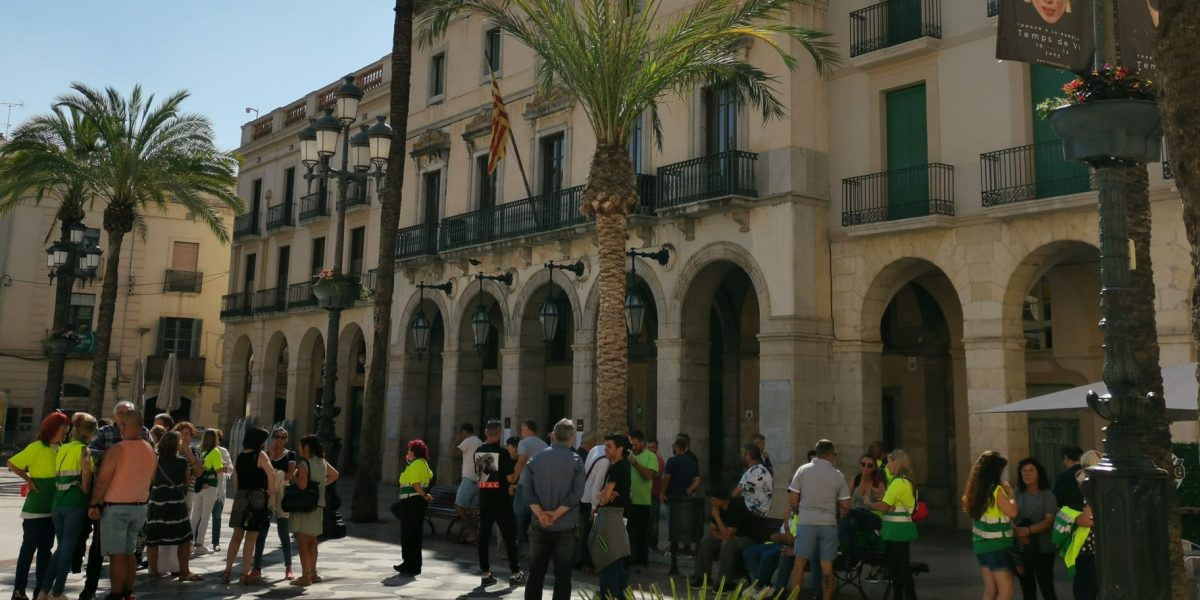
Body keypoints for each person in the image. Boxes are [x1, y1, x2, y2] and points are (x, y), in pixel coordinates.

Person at [80, 401, 152, 600]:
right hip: (139, 507)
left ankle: (116, 593)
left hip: (116, 507)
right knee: (130, 552)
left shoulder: (118, 449)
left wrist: (94, 503)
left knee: (117, 554)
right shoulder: (149, 448)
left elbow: (102, 480)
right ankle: (129, 591)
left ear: (124, 426)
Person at [8, 411, 69, 600]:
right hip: (35, 510)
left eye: (67, 427)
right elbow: (12, 463)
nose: (66, 431)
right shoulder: (36, 447)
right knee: (28, 549)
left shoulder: (62, 448)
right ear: (53, 429)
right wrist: (28, 480)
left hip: (53, 509)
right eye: (63, 427)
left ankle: (40, 591)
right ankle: (19, 590)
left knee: (45, 551)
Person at [522, 419, 585, 600]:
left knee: (535, 574)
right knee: (563, 576)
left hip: (539, 525)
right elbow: (576, 494)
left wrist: (541, 514)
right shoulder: (576, 460)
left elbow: (527, 493)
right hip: (565, 526)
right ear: (572, 438)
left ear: (554, 436)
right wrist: (555, 514)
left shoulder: (535, 459)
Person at [42, 412, 96, 600]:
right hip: (75, 503)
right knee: (68, 547)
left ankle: (44, 591)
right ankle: (57, 592)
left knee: (61, 547)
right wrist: (86, 490)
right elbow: (87, 479)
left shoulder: (62, 448)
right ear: (89, 433)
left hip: (58, 502)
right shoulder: (84, 450)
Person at [788, 439, 850, 600]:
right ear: (831, 454)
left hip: (806, 522)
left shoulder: (802, 470)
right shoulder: (837, 475)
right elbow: (845, 504)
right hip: (828, 524)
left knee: (799, 564)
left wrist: (798, 511)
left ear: (817, 453)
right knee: (827, 568)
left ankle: (794, 598)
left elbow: (793, 498)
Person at [474, 420, 527, 587]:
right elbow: (511, 478)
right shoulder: (502, 453)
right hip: (501, 501)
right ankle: (515, 573)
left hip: (485, 499)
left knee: (484, 536)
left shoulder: (479, 451)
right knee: (509, 537)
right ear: (499, 434)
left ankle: (485, 573)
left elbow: (480, 479)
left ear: (485, 432)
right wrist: (518, 464)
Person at [221, 427, 276, 586]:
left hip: (241, 497)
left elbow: (236, 480)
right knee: (251, 538)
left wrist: (240, 495)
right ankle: (244, 574)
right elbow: (271, 473)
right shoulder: (260, 455)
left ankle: (227, 571)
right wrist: (271, 493)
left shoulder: (240, 456)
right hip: (257, 496)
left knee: (236, 536)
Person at [145, 431, 202, 581]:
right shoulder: (181, 462)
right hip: (176, 501)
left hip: (157, 501)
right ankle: (184, 571)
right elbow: (188, 481)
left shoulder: (154, 460)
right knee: (183, 538)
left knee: (153, 539)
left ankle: (154, 572)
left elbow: (149, 480)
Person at [962, 450, 1018, 600]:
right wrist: (1011, 495)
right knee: (1007, 588)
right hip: (997, 546)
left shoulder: (975, 490)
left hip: (981, 546)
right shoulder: (996, 490)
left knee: (990, 590)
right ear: (996, 471)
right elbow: (1012, 512)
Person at [865, 449, 919, 600]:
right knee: (900, 568)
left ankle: (907, 596)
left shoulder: (898, 482)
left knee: (899, 569)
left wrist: (870, 504)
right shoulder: (908, 481)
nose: (887, 466)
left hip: (896, 531)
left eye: (889, 462)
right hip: (900, 529)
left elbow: (884, 506)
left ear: (897, 462)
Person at [289, 434, 339, 587]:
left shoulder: (304, 465)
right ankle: (313, 573)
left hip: (305, 506)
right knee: (313, 541)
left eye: (300, 446)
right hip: (318, 505)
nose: (298, 449)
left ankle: (305, 576)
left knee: (303, 542)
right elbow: (335, 474)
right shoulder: (322, 462)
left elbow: (302, 486)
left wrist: (293, 476)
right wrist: (321, 485)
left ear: (307, 448)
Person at [252, 427, 296, 579]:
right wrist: (270, 459)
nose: (279, 439)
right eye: (276, 436)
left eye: (282, 437)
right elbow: (261, 473)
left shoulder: (290, 454)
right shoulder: (265, 455)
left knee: (283, 533)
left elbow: (290, 476)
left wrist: (276, 474)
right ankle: (257, 567)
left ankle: (289, 567)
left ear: (286, 439)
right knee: (261, 533)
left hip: (283, 498)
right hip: (267, 496)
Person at [691, 486, 757, 588]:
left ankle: (726, 583)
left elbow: (728, 535)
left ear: (720, 500)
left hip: (747, 539)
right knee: (706, 540)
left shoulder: (736, 507)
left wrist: (717, 517)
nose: (711, 502)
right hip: (730, 538)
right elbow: (713, 531)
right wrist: (724, 537)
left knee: (728, 544)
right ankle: (703, 578)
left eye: (713, 500)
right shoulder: (717, 508)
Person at [1013, 457, 1058, 600]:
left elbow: (1049, 521)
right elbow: (1010, 516)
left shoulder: (1047, 495)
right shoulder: (1017, 493)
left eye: (1031, 470)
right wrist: (1018, 532)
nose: (1027, 473)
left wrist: (1029, 530)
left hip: (1043, 549)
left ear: (1039, 473)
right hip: (1023, 549)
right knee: (1027, 588)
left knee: (1047, 587)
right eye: (1024, 471)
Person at [593, 433, 632, 599]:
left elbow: (603, 499)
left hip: (610, 518)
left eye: (609, 446)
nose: (605, 449)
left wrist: (604, 495)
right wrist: (606, 495)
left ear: (620, 449)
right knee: (615, 560)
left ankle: (610, 595)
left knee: (608, 559)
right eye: (605, 445)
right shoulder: (622, 466)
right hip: (616, 517)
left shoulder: (617, 467)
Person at [394, 439, 434, 576]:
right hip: (412, 503)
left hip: (413, 502)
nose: (407, 453)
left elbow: (416, 484)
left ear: (415, 452)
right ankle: (408, 563)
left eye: (409, 450)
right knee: (411, 534)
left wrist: (424, 495)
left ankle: (411, 565)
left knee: (410, 534)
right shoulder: (418, 464)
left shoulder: (417, 464)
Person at [839, 453, 887, 563]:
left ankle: (838, 543)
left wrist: (877, 496)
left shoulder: (878, 483)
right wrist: (842, 510)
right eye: (863, 464)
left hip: (874, 517)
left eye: (870, 466)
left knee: (851, 514)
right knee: (849, 518)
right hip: (856, 515)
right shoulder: (856, 479)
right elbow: (846, 499)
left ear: (874, 468)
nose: (865, 468)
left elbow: (884, 504)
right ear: (860, 465)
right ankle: (851, 555)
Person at [743, 509, 798, 597]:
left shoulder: (804, 516)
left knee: (767, 556)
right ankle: (765, 585)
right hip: (777, 543)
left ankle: (760, 585)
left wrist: (783, 534)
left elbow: (793, 541)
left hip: (789, 546)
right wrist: (777, 536)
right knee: (749, 552)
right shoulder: (790, 512)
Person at [576, 431, 608, 571]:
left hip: (583, 496)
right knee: (590, 534)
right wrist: (594, 507)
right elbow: (597, 484)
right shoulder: (605, 460)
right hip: (590, 500)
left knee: (584, 532)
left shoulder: (595, 450)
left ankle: (579, 560)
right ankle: (588, 563)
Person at [627, 430, 659, 568]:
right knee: (628, 532)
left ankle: (641, 561)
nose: (633, 447)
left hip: (643, 502)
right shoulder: (628, 455)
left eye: (636, 444)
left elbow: (648, 475)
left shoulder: (650, 457)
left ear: (642, 442)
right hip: (629, 501)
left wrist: (635, 463)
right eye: (632, 444)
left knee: (641, 533)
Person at [191, 429, 224, 557]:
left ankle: (188, 543)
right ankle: (199, 544)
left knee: (195, 516)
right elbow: (219, 469)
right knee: (205, 516)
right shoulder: (216, 451)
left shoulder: (199, 450)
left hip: (198, 486)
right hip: (210, 486)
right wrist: (224, 466)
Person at [513, 420, 548, 545]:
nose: (521, 432)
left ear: (527, 429)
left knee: (520, 513)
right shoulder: (544, 444)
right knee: (535, 513)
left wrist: (514, 478)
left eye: (522, 429)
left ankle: (521, 541)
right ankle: (535, 540)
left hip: (524, 483)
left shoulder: (523, 443)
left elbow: (521, 458)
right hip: (539, 484)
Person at [450, 422, 483, 544]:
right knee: (473, 509)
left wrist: (457, 439)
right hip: (477, 480)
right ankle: (474, 534)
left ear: (464, 432)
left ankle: (471, 531)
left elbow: (452, 453)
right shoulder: (479, 441)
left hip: (468, 479)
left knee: (459, 506)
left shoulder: (468, 440)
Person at [734, 443, 773, 517]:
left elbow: (735, 494)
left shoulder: (752, 472)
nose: (741, 457)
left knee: (729, 505)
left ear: (748, 456)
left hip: (754, 512)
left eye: (743, 455)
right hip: (764, 512)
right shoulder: (764, 470)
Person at [210, 429, 233, 553]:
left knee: (217, 517)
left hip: (219, 490)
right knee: (199, 517)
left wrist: (221, 467)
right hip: (205, 488)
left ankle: (215, 542)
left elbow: (230, 468)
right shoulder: (203, 450)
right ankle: (197, 541)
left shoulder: (223, 451)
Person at [646, 440, 666, 551]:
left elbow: (656, 474)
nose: (650, 449)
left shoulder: (660, 461)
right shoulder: (644, 459)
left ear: (656, 448)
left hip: (654, 495)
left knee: (653, 521)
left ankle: (653, 544)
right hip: (644, 495)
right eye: (648, 447)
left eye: (652, 447)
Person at [1054, 446, 1084, 510]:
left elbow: (1056, 499)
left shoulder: (1063, 476)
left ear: (1066, 458)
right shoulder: (1087, 474)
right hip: (1087, 512)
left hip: (1068, 512)